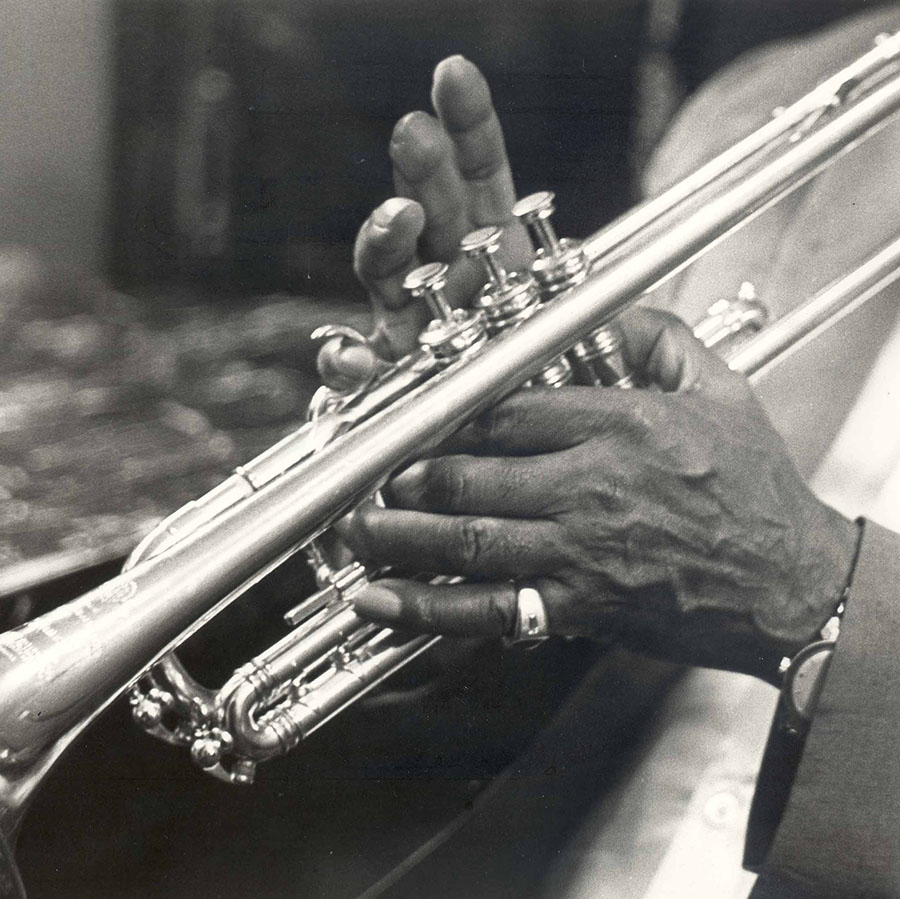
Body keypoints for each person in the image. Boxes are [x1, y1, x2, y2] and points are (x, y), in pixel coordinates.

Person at [316, 13, 900, 898]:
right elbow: (606, 607)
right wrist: (485, 467)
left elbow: (753, 565)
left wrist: (814, 590)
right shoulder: (766, 103)